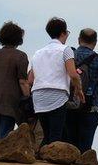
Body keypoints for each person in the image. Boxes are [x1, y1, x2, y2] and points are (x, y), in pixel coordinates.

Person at [28, 18, 83, 146]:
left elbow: (30, 79)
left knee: (47, 134)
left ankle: (41, 158)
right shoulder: (66, 50)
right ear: (64, 33)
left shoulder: (37, 53)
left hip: (38, 96)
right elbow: (73, 74)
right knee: (55, 135)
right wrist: (79, 90)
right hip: (57, 95)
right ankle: (51, 162)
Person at [65, 28, 98, 152]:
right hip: (89, 107)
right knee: (85, 149)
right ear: (95, 42)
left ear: (79, 40)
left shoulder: (69, 56)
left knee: (69, 147)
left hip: (69, 105)